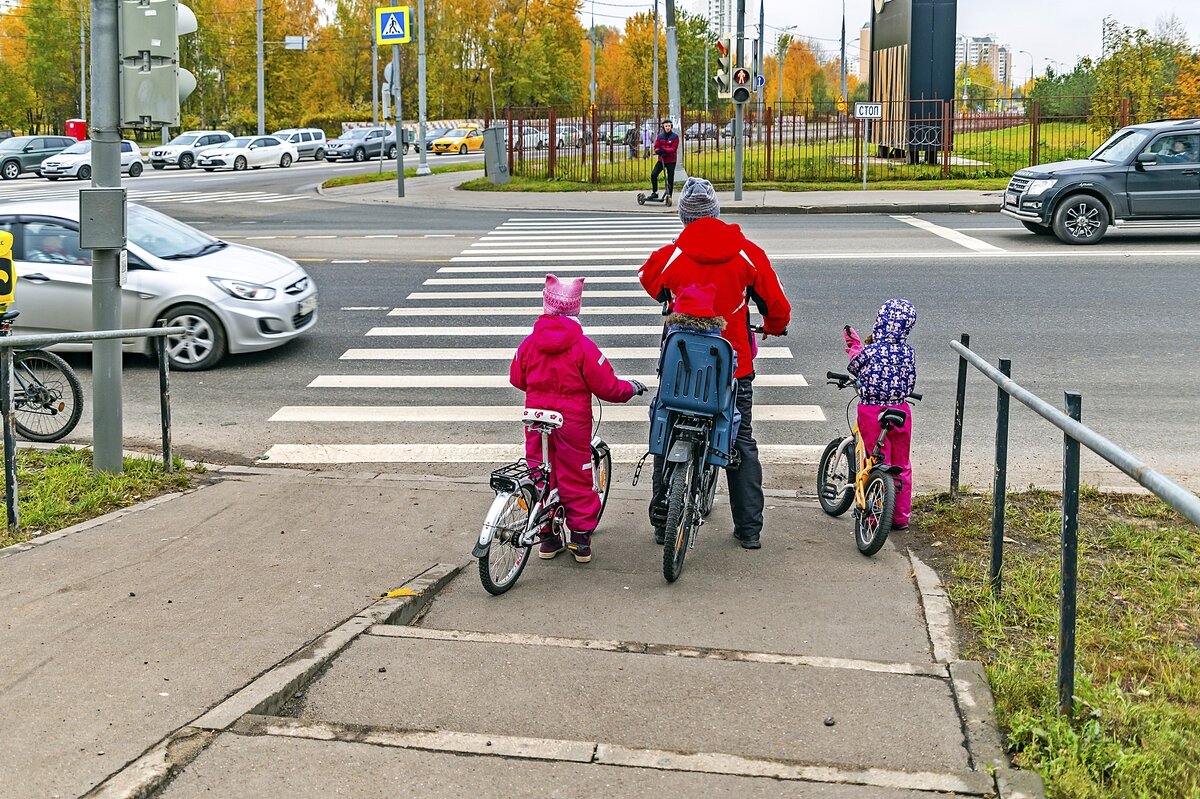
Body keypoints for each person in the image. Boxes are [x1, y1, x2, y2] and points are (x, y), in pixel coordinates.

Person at [639, 177, 791, 549]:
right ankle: (749, 529)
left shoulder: (673, 254)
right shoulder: (746, 253)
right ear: (715, 213)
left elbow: (650, 281)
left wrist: (671, 295)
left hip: (681, 369)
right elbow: (778, 307)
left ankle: (663, 519)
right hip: (732, 368)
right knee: (740, 440)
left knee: (669, 426)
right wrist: (773, 327)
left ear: (684, 218)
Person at [510, 274, 648, 563]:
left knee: (540, 473)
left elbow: (517, 377)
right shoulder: (582, 347)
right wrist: (631, 389)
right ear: (575, 308)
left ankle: (547, 539)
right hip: (571, 422)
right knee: (576, 476)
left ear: (547, 305)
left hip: (536, 418)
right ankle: (581, 541)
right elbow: (608, 386)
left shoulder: (530, 343)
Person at [842, 299, 918, 531]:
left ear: (880, 322)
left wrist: (854, 345)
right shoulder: (908, 352)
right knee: (901, 464)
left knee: (874, 461)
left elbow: (854, 366)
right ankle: (899, 517)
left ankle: (874, 517)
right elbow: (911, 379)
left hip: (872, 411)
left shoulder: (870, 350)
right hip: (900, 410)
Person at [648, 119, 679, 201]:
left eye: (669, 126)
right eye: (666, 126)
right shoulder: (660, 136)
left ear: (671, 126)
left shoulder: (675, 137)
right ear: (663, 127)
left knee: (670, 178)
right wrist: (658, 150)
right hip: (661, 160)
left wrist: (664, 150)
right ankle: (655, 192)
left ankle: (669, 195)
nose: (667, 127)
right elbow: (656, 146)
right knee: (654, 174)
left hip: (671, 160)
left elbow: (673, 148)